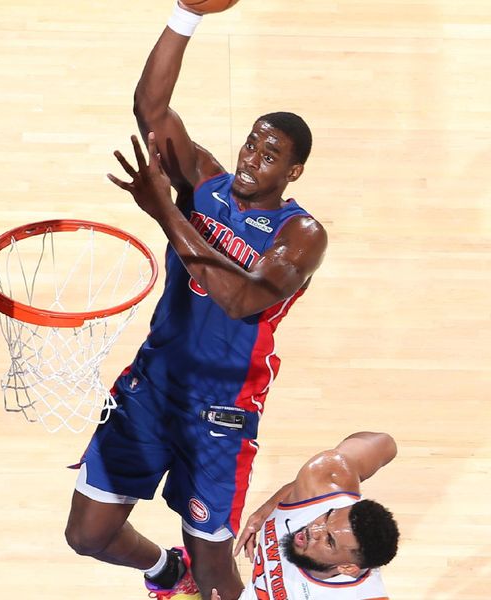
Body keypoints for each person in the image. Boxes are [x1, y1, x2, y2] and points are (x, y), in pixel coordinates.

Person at [64, 2, 328, 599]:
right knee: (89, 533)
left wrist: (166, 214)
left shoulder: (301, 235)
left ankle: (197, 576)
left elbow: (238, 298)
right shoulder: (205, 183)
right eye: (251, 145)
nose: (250, 160)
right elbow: (150, 110)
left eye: (269, 155)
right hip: (153, 383)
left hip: (221, 409)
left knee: (216, 576)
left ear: (295, 171)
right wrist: (186, 14)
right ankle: (164, 572)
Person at [208, 430, 399, 600]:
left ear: (347, 568)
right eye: (327, 517)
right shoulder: (323, 483)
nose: (313, 529)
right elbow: (386, 444)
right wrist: (270, 506)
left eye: (329, 541)